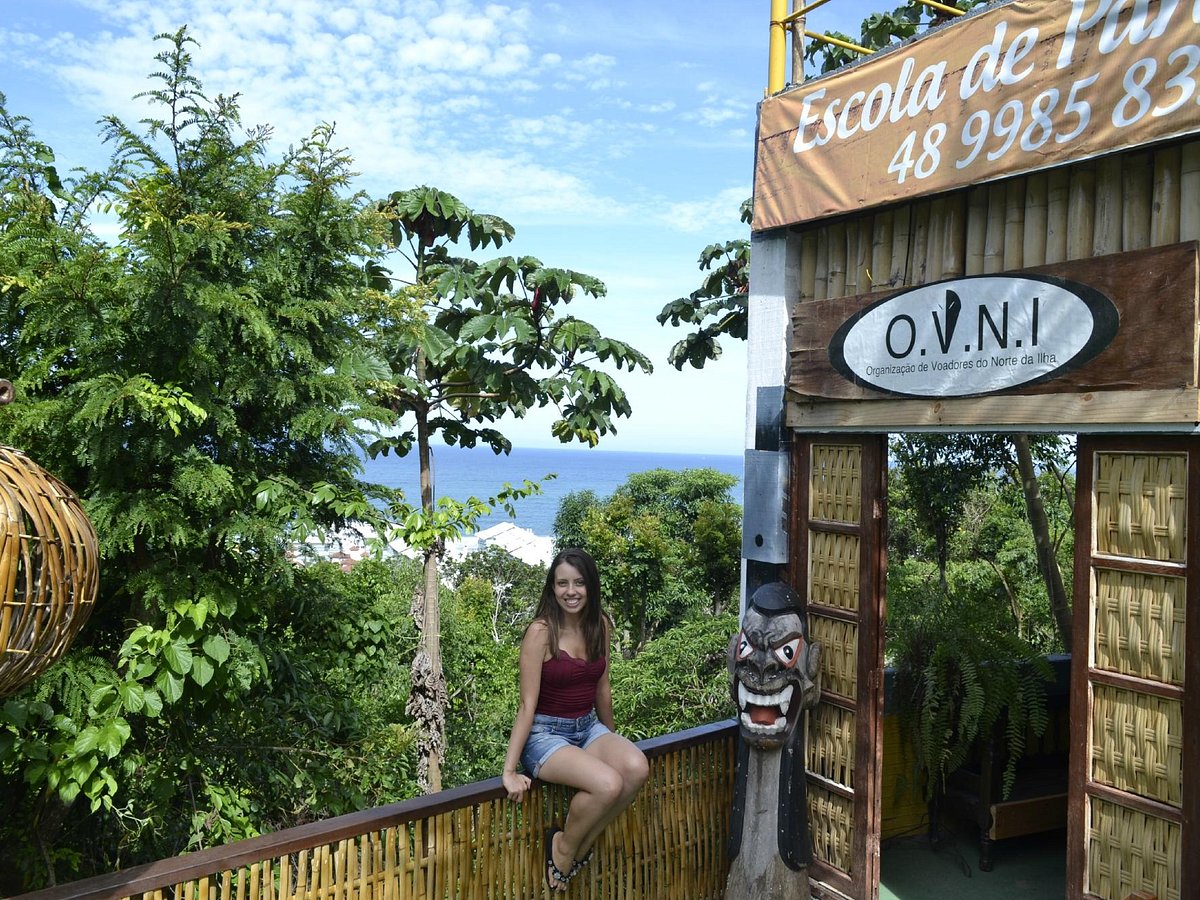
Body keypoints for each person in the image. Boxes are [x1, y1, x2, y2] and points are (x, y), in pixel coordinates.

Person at [501, 548, 650, 893]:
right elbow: (526, 704)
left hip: (587, 727)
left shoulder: (599, 625)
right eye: (562, 583)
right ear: (552, 589)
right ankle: (565, 847)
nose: (571, 591)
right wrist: (509, 771)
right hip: (545, 735)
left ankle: (582, 840)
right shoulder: (540, 633)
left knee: (636, 767)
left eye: (579, 583)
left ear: (590, 586)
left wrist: (613, 740)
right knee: (608, 784)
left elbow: (602, 688)